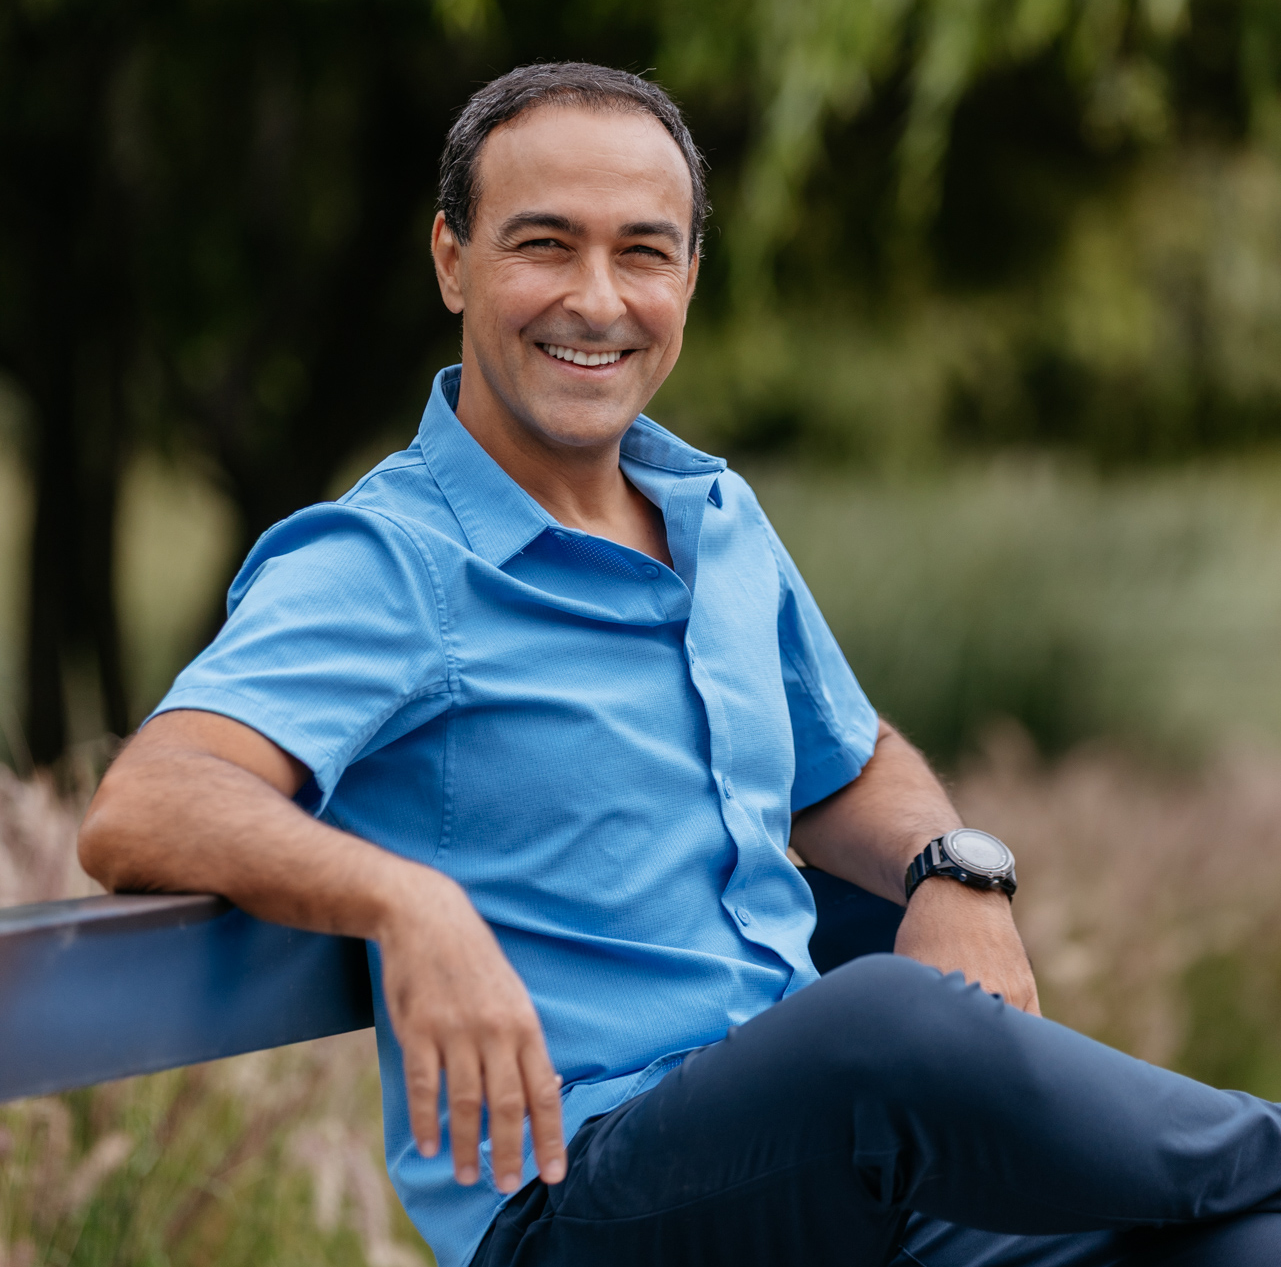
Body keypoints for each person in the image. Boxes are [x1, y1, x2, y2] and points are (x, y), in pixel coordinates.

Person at [79, 63, 1281, 1267]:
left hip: (835, 1171)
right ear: (452, 261)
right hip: (583, 1200)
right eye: (544, 244)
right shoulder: (384, 561)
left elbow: (845, 766)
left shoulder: (716, 514)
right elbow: (150, 801)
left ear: (689, 277)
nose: (595, 299)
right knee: (885, 1026)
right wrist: (407, 903)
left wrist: (950, 868)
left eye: (643, 252)